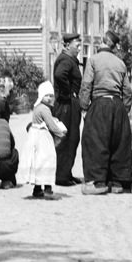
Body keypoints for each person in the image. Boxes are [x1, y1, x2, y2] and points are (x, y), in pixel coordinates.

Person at [79, 30, 132, 195]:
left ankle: (98, 182)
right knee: (119, 143)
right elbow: (128, 91)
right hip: (117, 104)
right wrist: (124, 110)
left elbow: (86, 84)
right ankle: (117, 182)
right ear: (114, 46)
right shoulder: (120, 63)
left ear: (102, 42)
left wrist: (84, 106)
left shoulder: (94, 60)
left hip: (100, 102)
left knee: (95, 141)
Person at [24, 80, 67, 199]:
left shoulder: (38, 108)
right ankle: (48, 188)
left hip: (36, 137)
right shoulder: (44, 109)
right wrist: (60, 133)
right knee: (48, 159)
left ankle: (37, 188)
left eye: (51, 96)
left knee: (38, 162)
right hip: (43, 138)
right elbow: (51, 124)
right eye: (47, 95)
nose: (49, 98)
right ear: (41, 96)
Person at [53, 32, 84, 186]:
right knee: (65, 139)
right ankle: (61, 176)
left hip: (69, 104)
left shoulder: (70, 60)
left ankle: (67, 173)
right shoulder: (66, 60)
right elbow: (60, 75)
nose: (79, 49)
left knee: (72, 139)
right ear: (66, 46)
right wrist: (68, 93)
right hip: (65, 105)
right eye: (77, 46)